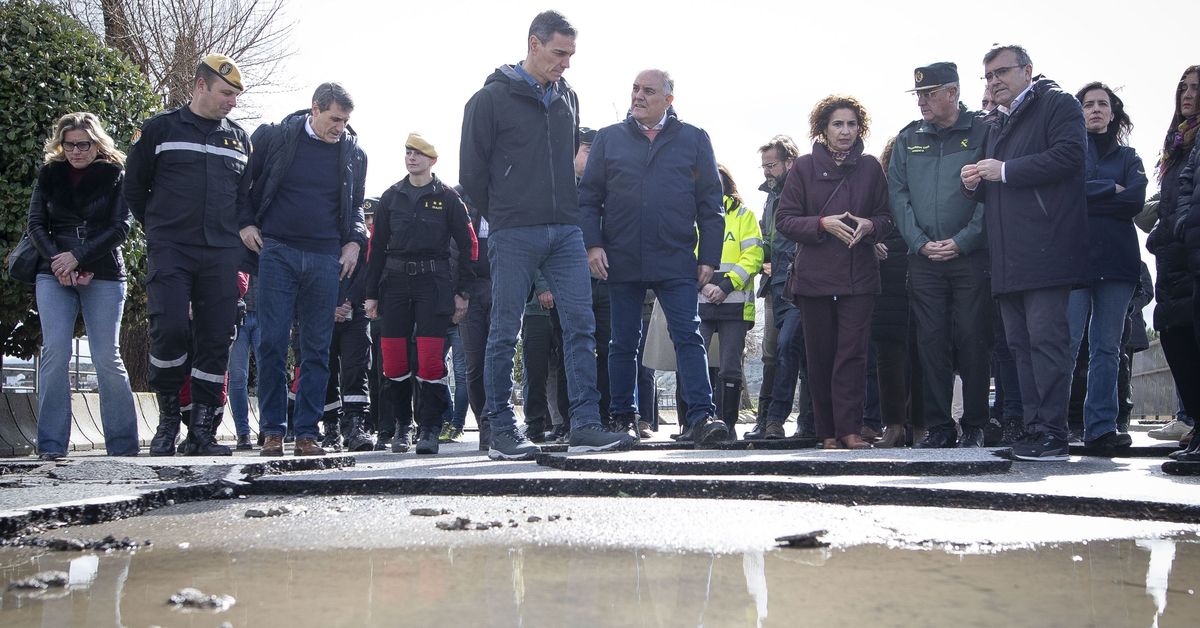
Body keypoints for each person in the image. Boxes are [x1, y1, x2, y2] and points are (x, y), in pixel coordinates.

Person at [460, 10, 634, 459]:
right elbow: (472, 174)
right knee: (504, 330)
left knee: (581, 326)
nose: (566, 63)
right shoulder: (488, 100)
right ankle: (499, 427)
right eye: (559, 53)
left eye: (571, 54)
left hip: (565, 230)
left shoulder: (568, 98)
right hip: (515, 229)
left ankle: (585, 424)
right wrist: (504, 211)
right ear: (533, 44)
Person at [580, 68, 728, 446]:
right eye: (634, 89)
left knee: (688, 336)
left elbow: (711, 203)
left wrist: (709, 258)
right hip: (621, 257)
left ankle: (700, 417)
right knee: (623, 341)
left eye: (648, 90)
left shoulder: (693, 139)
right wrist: (593, 244)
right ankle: (624, 418)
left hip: (676, 257)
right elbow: (589, 198)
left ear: (668, 99)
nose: (638, 96)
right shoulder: (609, 139)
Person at [961, 45, 1088, 461]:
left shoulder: (1058, 103)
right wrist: (977, 183)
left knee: (1047, 343)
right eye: (988, 76)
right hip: (1008, 256)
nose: (993, 81)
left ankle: (1053, 431)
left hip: (1045, 249)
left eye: (1001, 72)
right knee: (1019, 346)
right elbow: (1001, 188)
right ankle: (1034, 430)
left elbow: (1071, 157)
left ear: (1028, 70)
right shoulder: (998, 122)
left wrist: (1005, 170)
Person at [125, 53, 251, 457]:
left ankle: (202, 431)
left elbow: (246, 199)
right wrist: (161, 230)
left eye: (235, 96)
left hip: (220, 254)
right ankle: (167, 422)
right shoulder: (159, 129)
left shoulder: (239, 138)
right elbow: (134, 190)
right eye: (225, 93)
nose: (232, 101)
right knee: (170, 329)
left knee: (216, 339)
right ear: (200, 85)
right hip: (172, 250)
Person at [241, 82, 368, 457]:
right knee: (272, 345)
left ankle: (307, 433)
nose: (339, 128)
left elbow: (357, 205)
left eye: (344, 121)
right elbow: (244, 187)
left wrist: (354, 241)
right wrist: (246, 223)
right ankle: (272, 432)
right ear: (314, 109)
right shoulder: (274, 138)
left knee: (316, 349)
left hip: (325, 257)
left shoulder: (354, 154)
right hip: (277, 250)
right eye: (333, 119)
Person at [775, 95, 894, 450]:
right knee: (820, 356)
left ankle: (851, 430)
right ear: (823, 129)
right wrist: (822, 223)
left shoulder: (872, 167)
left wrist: (869, 226)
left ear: (861, 129)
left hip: (859, 277)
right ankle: (826, 433)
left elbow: (887, 218)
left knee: (853, 355)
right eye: (837, 124)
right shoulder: (804, 167)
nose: (845, 131)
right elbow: (784, 220)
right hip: (815, 279)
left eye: (851, 124)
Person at [889, 62, 992, 448]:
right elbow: (897, 194)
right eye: (918, 95)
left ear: (953, 92)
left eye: (929, 94)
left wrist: (964, 240)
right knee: (930, 342)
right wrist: (918, 242)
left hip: (969, 257)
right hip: (924, 259)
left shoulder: (983, 130)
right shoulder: (908, 137)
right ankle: (939, 426)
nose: (922, 102)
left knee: (972, 337)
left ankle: (976, 423)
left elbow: (991, 198)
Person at [27, 112, 139, 460]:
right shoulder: (49, 174)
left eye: (83, 145)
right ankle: (50, 446)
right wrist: (59, 261)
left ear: (96, 143)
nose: (76, 151)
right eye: (69, 145)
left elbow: (120, 228)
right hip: (54, 271)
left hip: (103, 270)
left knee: (106, 356)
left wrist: (78, 257)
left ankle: (122, 447)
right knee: (55, 353)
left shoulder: (116, 175)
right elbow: (35, 224)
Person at [365, 133, 476, 455]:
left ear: (432, 160)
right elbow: (375, 248)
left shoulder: (448, 198)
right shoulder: (391, 197)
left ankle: (429, 427)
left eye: (418, 154)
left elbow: (469, 244)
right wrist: (371, 294)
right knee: (394, 362)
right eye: (408, 152)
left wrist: (463, 291)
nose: (411, 158)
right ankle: (402, 425)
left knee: (429, 363)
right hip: (395, 284)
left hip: (434, 284)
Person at [1066, 82, 1148, 452]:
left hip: (1118, 264)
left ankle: (1100, 428)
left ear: (1113, 113)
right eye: (1088, 104)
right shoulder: (1068, 155)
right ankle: (1056, 426)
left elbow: (1134, 200)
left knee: (1106, 348)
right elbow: (1065, 197)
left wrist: (1094, 192)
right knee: (1066, 345)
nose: (1096, 109)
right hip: (1074, 261)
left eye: (1103, 104)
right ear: (1079, 112)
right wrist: (1108, 190)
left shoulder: (1129, 158)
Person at [1147, 66, 1200, 456]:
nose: (1188, 95)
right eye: (1184, 88)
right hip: (1173, 260)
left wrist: (1177, 227)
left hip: (1192, 254)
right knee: (1176, 339)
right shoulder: (1177, 142)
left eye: (1197, 89)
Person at [752, 135, 815, 440]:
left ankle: (777, 418)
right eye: (764, 165)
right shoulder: (770, 197)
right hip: (775, 284)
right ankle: (794, 422)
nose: (766, 171)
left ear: (790, 162)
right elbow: (769, 238)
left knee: (790, 346)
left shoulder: (803, 189)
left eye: (772, 164)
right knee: (781, 353)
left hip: (799, 281)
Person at [699, 165, 763, 436]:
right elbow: (681, 253)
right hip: (699, 301)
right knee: (693, 362)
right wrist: (702, 284)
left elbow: (754, 257)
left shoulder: (744, 216)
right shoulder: (692, 216)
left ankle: (729, 425)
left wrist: (724, 286)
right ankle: (695, 423)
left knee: (729, 367)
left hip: (734, 304)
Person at [319, 241, 374, 452]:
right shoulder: (321, 230)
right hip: (321, 310)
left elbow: (369, 268)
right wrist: (329, 305)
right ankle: (331, 428)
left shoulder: (358, 234)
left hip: (356, 311)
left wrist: (349, 301)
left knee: (357, 369)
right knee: (325, 371)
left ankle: (356, 426)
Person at [226, 272, 256, 450]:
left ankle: (269, 431)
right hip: (237, 314)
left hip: (265, 312)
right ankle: (243, 433)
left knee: (271, 373)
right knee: (237, 377)